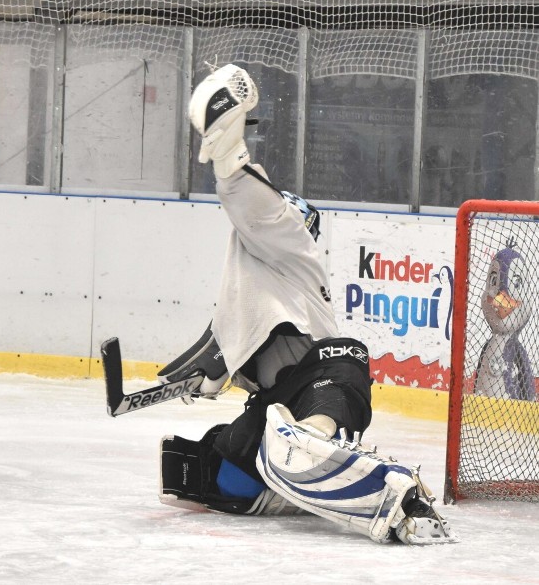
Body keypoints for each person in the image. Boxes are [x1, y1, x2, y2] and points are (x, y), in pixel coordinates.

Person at [156, 63, 456, 544]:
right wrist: (209, 373)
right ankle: (295, 463)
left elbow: (255, 205)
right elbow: (224, 347)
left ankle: (311, 436)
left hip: (314, 388)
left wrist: (230, 154)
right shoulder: (247, 283)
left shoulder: (292, 245)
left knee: (347, 352)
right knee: (220, 472)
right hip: (275, 404)